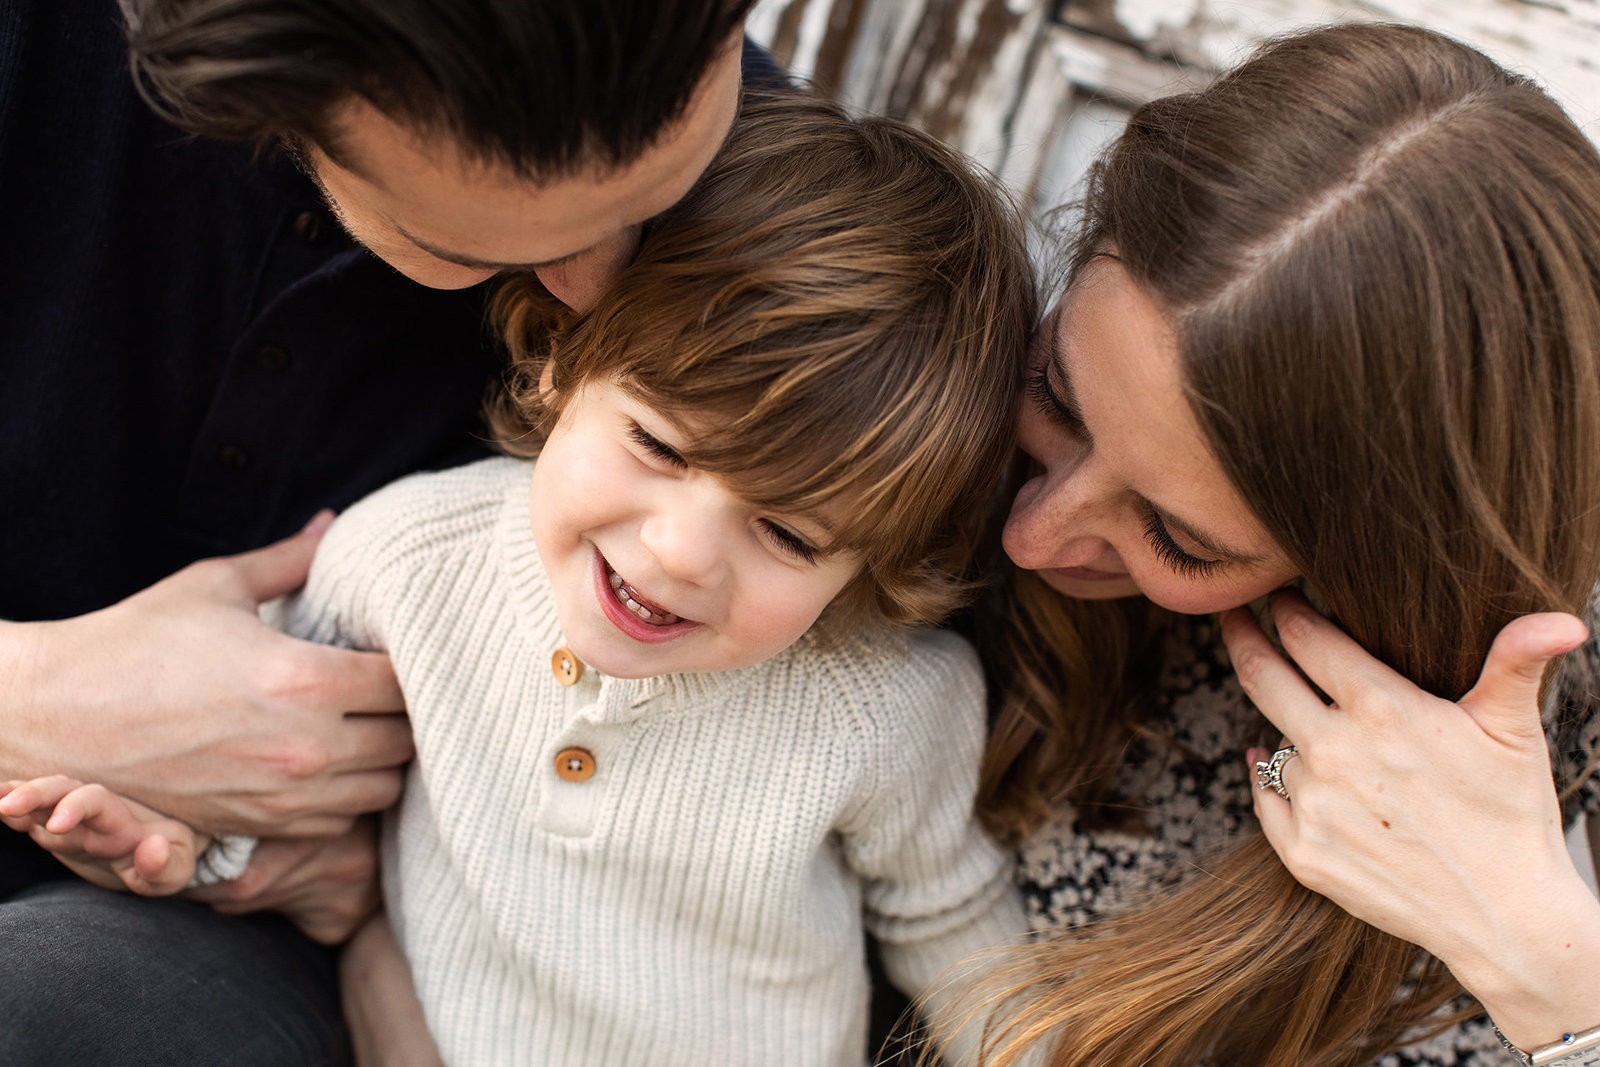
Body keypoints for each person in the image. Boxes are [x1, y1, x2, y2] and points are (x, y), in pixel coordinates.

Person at [2, 94, 1038, 1067]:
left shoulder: (887, 702)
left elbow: (951, 925)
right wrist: (175, 841)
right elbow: (266, 765)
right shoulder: (406, 558)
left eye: (788, 532)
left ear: (877, 562)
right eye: (661, 446)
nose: (681, 551)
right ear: (561, 359)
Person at [0, 0, 772, 1063]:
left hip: (247, 938)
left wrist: (397, 878)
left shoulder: (789, 193)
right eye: (462, 246)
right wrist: (33, 699)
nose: (603, 292)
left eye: (662, 194)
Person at [947, 21, 1600, 1067]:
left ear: (1373, 578)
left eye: (1177, 534)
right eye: (1058, 394)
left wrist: (1547, 964)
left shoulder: (1563, 703)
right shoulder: (927, 403)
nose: (1032, 534)